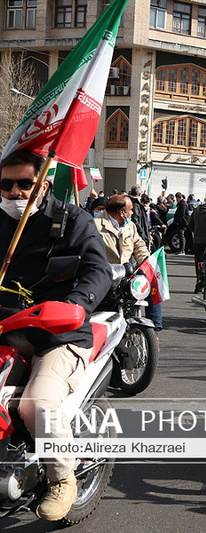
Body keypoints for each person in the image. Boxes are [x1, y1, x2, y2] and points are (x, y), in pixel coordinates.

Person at [0, 150, 112, 521]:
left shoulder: (72, 220)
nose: (15, 192)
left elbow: (98, 270)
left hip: (56, 333)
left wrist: (77, 305)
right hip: (4, 327)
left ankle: (63, 478)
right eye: (6, 184)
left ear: (43, 183)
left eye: (24, 184)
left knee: (38, 404)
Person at [95, 195, 163, 329]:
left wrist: (147, 263)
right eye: (130, 210)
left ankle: (155, 329)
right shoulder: (95, 225)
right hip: (104, 277)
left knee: (152, 283)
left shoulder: (130, 226)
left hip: (126, 276)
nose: (132, 213)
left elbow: (139, 246)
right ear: (121, 211)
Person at [188, 193, 206, 292]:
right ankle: (203, 283)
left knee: (198, 262)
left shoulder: (196, 211)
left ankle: (199, 280)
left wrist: (196, 232)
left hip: (196, 240)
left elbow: (190, 224)